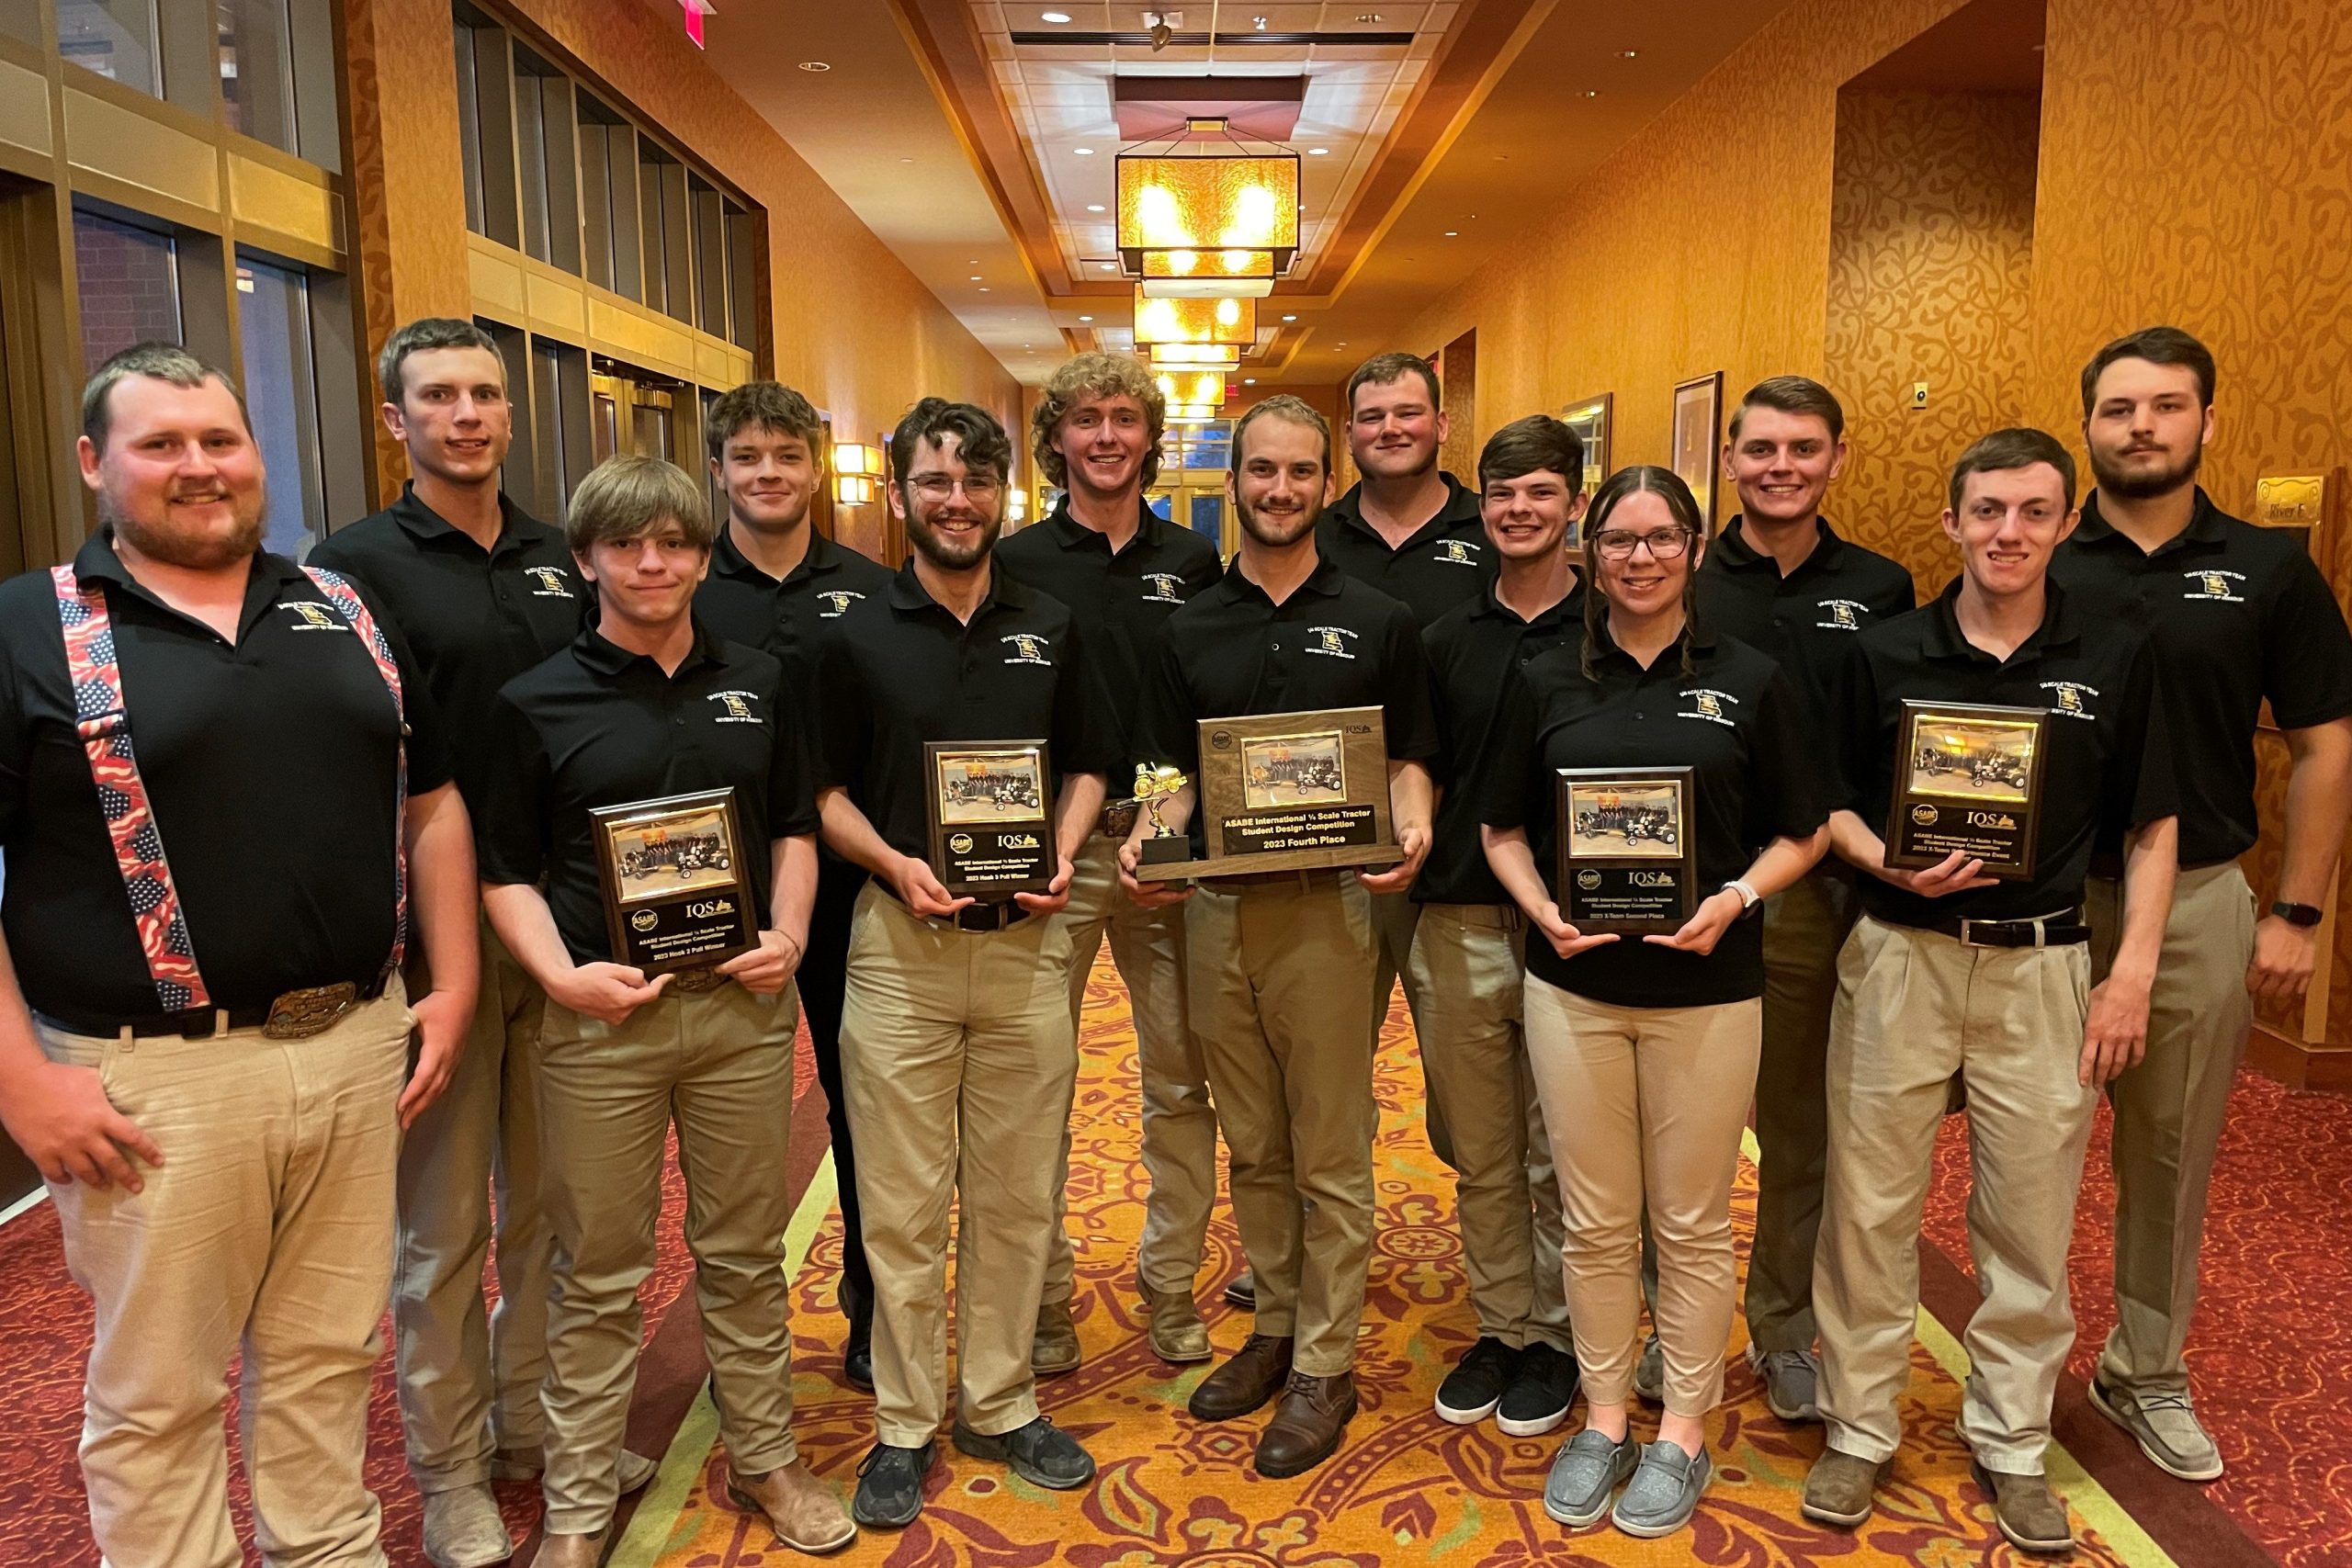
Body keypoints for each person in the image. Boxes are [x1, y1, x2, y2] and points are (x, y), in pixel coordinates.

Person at [0, 343, 477, 1568]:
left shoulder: (342, 605)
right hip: (158, 1079)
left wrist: (456, 979)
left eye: (221, 440)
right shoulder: (28, 626)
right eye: (161, 443)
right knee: (161, 1392)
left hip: (357, 1043)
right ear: (95, 462)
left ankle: (329, 1550)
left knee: (329, 1355)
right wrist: (19, 1078)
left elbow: (430, 801)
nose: (199, 466)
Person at [309, 318, 648, 1568]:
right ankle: (449, 1464)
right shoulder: (344, 569)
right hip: (433, 944)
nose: (467, 414)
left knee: (556, 1210)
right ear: (396, 419)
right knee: (442, 1226)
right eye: (439, 396)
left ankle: (535, 1428)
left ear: (511, 413)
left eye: (485, 394)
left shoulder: (572, 555)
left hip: (563, 925)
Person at [1805, 429, 2177, 1556]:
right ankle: (1858, 1427)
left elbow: (2153, 824)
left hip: (2045, 966)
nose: (2007, 533)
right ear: (1951, 522)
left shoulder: (2117, 650)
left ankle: (2013, 1439)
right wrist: (1884, 860)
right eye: (1986, 512)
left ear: (2065, 523)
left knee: (2028, 1214)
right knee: (1867, 1206)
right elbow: (1828, 806)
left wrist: (2132, 974)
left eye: (2031, 512)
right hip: (1899, 955)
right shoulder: (1883, 652)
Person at [479, 454, 851, 1563]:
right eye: (628, 545)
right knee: (596, 1275)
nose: (654, 563)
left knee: (742, 1254)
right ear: (587, 559)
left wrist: (786, 933)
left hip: (738, 1014)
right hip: (602, 1022)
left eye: (676, 544)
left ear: (701, 554)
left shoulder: (756, 680)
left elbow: (792, 822)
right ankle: (582, 1503)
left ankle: (768, 1458)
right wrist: (557, 979)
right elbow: (503, 871)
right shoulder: (531, 702)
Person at [1479, 465, 1827, 1539]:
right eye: (1618, 540)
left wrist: (1732, 897)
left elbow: (1802, 829)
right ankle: (1600, 1416)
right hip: (1572, 988)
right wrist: (1542, 912)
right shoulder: (1541, 675)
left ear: (1690, 547)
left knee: (1687, 1221)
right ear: (1590, 550)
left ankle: (1680, 1424)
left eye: (1659, 538)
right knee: (1591, 1222)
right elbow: (1497, 827)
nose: (1638, 558)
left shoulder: (1753, 678)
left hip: (1709, 990)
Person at [811, 399, 1119, 1529]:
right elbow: (820, 791)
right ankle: (901, 1421)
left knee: (1014, 1194)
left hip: (1028, 950)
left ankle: (997, 1399)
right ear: (899, 495)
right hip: (900, 951)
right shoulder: (851, 632)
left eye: (976, 483)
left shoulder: (1052, 620)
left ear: (1004, 496)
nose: (956, 501)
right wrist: (892, 861)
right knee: (897, 1205)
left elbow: (1090, 760)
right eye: (934, 482)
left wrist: (1068, 847)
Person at [2052, 327, 2352, 1481]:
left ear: (2205, 422)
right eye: (2119, 408)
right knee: (2033, 1146)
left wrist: (2297, 914)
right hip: (2050, 903)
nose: (2141, 427)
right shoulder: (2039, 555)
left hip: (2198, 905)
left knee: (2169, 1153)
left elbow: (2326, 748)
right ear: (2087, 424)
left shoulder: (2267, 569)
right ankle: (2021, 1368)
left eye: (2166, 407)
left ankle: (2146, 1371)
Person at [1125, 393, 1438, 1479]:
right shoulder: (1188, 627)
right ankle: (1275, 1327)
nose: (1278, 491)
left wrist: (1418, 816)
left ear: (1324, 481)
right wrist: (1149, 838)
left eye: (1301, 473)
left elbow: (1408, 755)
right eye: (1260, 472)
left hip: (1328, 910)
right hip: (1217, 913)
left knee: (1331, 1144)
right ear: (1235, 482)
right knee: (1251, 1139)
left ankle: (1327, 1361)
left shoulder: (1380, 618)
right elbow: (1162, 775)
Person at [1686, 375, 1916, 1423]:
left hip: (1819, 897)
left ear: (1837, 460)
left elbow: (1886, 747)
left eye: (1804, 449)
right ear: (1729, 459)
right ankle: (1665, 1328)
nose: (1781, 467)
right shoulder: (1683, 575)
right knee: (1671, 1124)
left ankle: (1780, 1327)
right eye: (1762, 448)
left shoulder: (1880, 586)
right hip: (1685, 891)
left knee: (1794, 1130)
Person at [999, 353, 1224, 1367]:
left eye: (1124, 418)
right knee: (1033, 1083)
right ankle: (1044, 1299)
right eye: (1084, 418)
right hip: (1054, 850)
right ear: (1055, 437)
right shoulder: (1014, 562)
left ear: (1149, 436)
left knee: (1182, 1080)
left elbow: (1210, 711)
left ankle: (1169, 1286)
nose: (1104, 436)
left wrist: (1180, 816)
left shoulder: (1197, 558)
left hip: (1168, 846)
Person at [694, 379, 897, 1394]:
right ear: (718, 470)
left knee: (862, 1110)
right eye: (747, 457)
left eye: (786, 455)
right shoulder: (681, 587)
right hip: (719, 898)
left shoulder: (870, 587)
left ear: (816, 468)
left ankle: (870, 1307)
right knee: (735, 1130)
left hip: (851, 892)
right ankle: (747, 1350)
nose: (767, 474)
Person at [1414, 415, 1587, 1435]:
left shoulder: (1617, 627)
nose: (1518, 510)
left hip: (1577, 931)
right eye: (1501, 492)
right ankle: (1504, 1321)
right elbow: (1420, 771)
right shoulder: (1444, 639)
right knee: (1480, 1149)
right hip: (1459, 920)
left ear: (1572, 502)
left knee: (1558, 1149)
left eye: (1539, 492)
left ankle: (1562, 1336)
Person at [1317, 351, 1491, 1203]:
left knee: (1468, 1074)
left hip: (1461, 852)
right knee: (1324, 1064)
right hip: (1329, 843)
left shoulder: (1490, 530)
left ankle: (1499, 1265)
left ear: (1441, 424)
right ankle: (1312, 1244)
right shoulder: (1312, 535)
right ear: (1351, 433)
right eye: (1373, 415)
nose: (1391, 428)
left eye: (1408, 412)